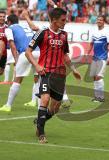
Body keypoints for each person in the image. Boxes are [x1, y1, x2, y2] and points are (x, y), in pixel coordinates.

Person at [25, 8, 81, 144]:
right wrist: (37, 66)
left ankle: (40, 120)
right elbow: (28, 52)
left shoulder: (64, 35)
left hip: (60, 75)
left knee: (55, 108)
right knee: (44, 99)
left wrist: (73, 69)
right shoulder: (42, 33)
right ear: (54, 20)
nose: (65, 21)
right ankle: (41, 133)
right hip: (46, 72)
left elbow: (65, 55)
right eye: (63, 19)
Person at [0, 14, 40, 112]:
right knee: (39, 80)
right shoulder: (25, 26)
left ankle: (8, 105)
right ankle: (40, 107)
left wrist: (16, 60)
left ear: (8, 22)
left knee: (17, 80)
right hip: (39, 52)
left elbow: (12, 45)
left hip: (26, 53)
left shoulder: (9, 29)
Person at [87, 15, 109, 103]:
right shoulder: (94, 32)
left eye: (101, 20)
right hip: (95, 57)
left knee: (99, 76)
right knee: (94, 77)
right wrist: (87, 53)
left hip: (103, 57)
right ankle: (96, 96)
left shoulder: (107, 32)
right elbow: (91, 43)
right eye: (98, 20)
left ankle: (101, 97)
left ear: (103, 22)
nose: (99, 21)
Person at [0, 10, 8, 77]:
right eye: (0, 16)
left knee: (1, 72)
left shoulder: (8, 28)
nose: (2, 18)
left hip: (4, 54)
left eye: (3, 16)